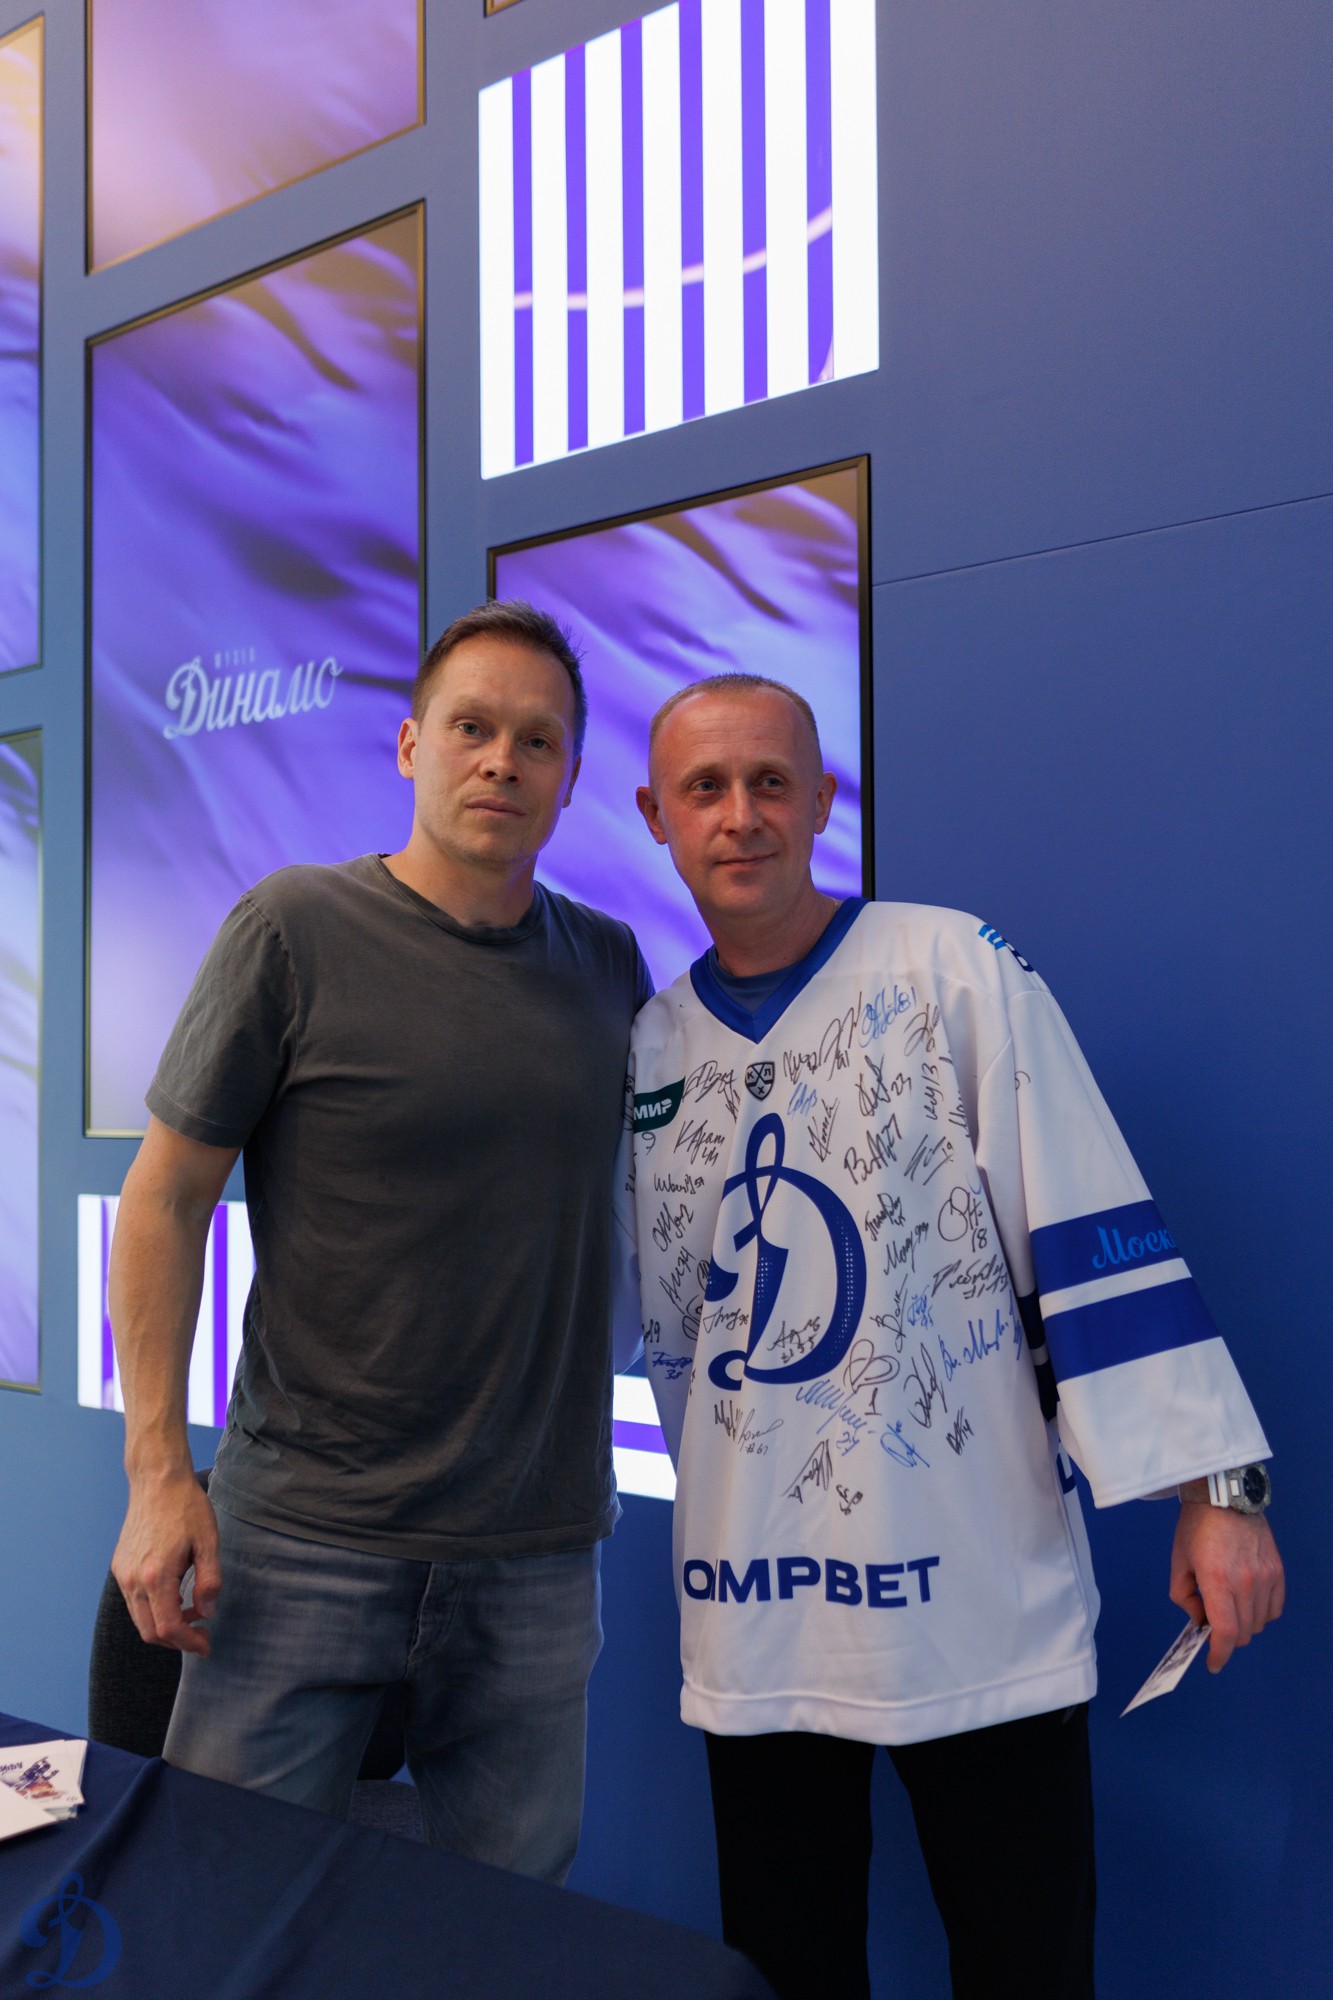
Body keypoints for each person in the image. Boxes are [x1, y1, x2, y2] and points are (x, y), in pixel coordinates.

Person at [627, 673, 1284, 1998]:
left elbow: (1084, 1211)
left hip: (972, 1594)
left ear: (823, 799)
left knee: (1025, 1964)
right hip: (755, 1613)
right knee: (784, 1965)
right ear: (656, 815)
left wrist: (1218, 1488)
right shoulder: (650, 1041)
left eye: (770, 781)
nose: (740, 814)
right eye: (706, 787)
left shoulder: (947, 966)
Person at [109, 600, 651, 1883]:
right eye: (471, 727)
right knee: (226, 1909)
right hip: (301, 1536)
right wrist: (158, 1473)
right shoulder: (292, 930)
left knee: (502, 1930)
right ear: (411, 744)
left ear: (570, 777)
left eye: (536, 741)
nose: (501, 761)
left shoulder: (608, 967)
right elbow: (164, 1200)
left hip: (533, 1553)